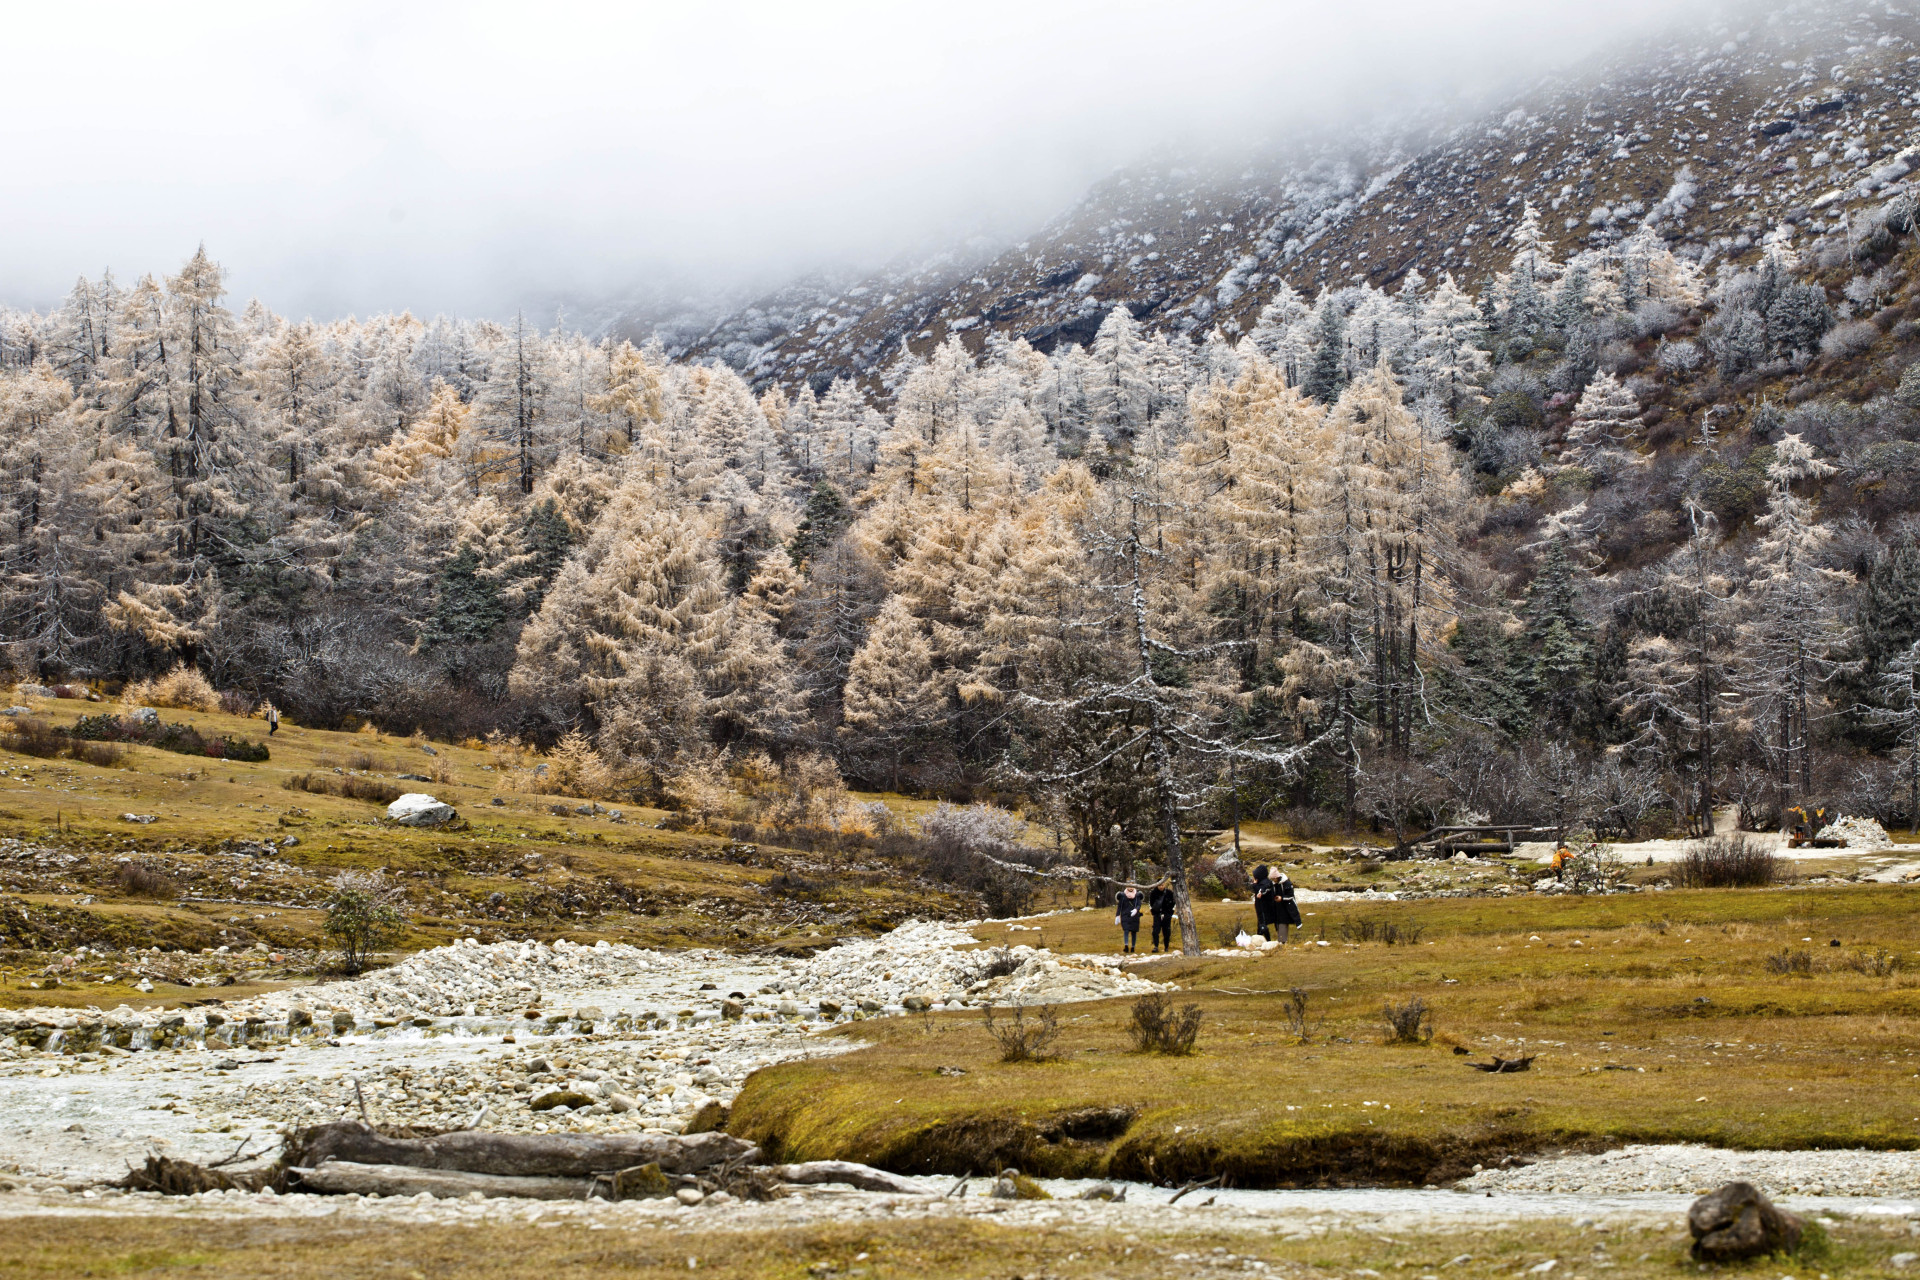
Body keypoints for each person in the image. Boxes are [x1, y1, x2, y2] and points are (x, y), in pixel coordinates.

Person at [1272, 867, 1302, 944]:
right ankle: (1281, 941)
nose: (1272, 880)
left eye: (1273, 878)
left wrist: (1282, 898)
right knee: (1278, 923)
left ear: (1276, 877)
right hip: (1278, 907)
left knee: (1283, 923)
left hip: (1287, 907)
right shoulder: (1274, 884)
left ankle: (1282, 941)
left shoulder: (1287, 883)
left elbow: (1291, 895)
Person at [1147, 878, 1176, 953]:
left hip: (1167, 915)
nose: (1161, 887)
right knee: (1155, 931)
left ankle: (1166, 947)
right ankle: (1156, 946)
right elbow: (1150, 903)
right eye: (1159, 885)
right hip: (1157, 914)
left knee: (1166, 931)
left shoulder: (1169, 893)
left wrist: (1170, 913)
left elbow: (1174, 903)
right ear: (1157, 885)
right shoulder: (1153, 893)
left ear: (1164, 885)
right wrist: (1153, 912)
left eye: (1162, 885)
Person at [1114, 884, 1144, 954]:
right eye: (1129, 886)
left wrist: (1136, 910)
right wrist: (1117, 915)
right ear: (1126, 886)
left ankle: (1133, 947)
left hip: (1134, 916)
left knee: (1134, 932)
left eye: (1132, 886)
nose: (1130, 888)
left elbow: (1139, 905)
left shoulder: (1137, 895)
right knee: (1126, 930)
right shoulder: (1122, 895)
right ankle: (1126, 946)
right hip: (1125, 915)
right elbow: (1120, 906)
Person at [1251, 864, 1278, 941]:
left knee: (1263, 925)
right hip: (1262, 907)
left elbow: (1262, 890)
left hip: (1264, 908)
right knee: (1260, 925)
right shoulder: (1263, 882)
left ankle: (1268, 941)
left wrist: (1255, 886)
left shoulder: (1266, 883)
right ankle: (1261, 941)